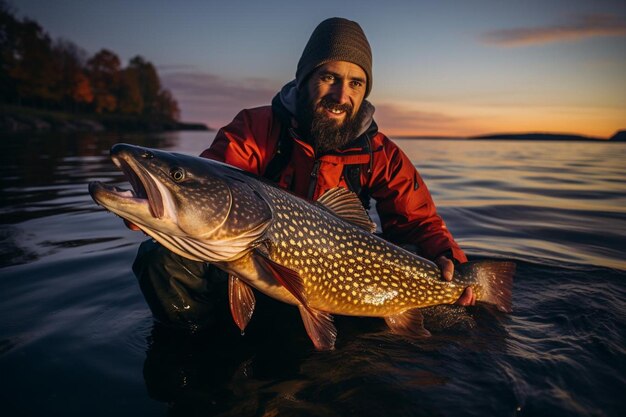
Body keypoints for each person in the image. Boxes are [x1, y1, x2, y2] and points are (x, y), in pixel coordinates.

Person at [131, 17, 475, 331]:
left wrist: (454, 265)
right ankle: (196, 349)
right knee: (160, 257)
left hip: (342, 282)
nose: (342, 95)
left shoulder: (382, 154)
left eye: (356, 84)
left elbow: (420, 222)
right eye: (329, 78)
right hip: (258, 264)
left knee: (416, 255)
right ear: (304, 79)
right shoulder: (255, 128)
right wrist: (164, 204)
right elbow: (216, 187)